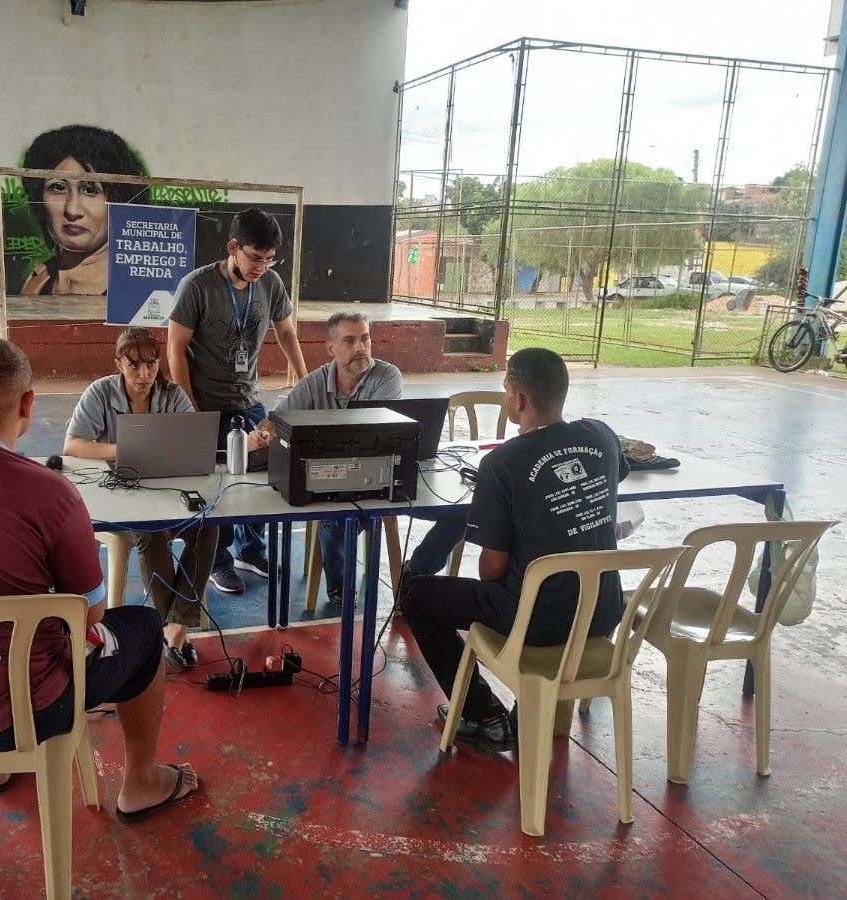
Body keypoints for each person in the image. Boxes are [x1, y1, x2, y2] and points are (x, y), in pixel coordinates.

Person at [0, 336, 198, 820]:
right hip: (32, 707)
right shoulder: (50, 493)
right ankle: (142, 784)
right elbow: (91, 614)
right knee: (145, 629)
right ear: (28, 405)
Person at [401, 347, 629, 752]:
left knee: (416, 595)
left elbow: (491, 571)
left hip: (538, 621)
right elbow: (616, 476)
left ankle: (484, 716)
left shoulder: (501, 464)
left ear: (518, 399)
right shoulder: (602, 436)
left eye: (507, 390)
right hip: (604, 611)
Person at [167, 208, 308, 594]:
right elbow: (175, 349)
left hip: (249, 400)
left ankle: (251, 549)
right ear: (233, 248)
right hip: (207, 401)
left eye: (268, 259)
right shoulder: (197, 286)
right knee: (215, 486)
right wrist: (190, 408)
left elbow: (287, 333)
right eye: (254, 257)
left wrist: (306, 379)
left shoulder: (272, 284)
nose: (261, 267)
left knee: (261, 478)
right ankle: (218, 560)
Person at [64, 327, 217, 671]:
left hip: (167, 491)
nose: (144, 374)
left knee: (209, 527)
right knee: (151, 535)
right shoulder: (99, 393)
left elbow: (193, 441)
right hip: (120, 496)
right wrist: (124, 450)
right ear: (118, 363)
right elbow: (72, 445)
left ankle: (172, 626)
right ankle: (175, 628)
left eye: (151, 364)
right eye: (134, 366)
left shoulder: (172, 394)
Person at [264, 311, 402, 604]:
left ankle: (339, 586)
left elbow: (371, 435)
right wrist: (260, 433)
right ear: (330, 348)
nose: (360, 348)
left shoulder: (387, 377)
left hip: (374, 478)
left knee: (337, 520)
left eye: (364, 339)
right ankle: (339, 586)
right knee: (331, 514)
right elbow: (277, 421)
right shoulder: (314, 383)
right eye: (349, 341)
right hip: (326, 478)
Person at [19, 125, 148, 296]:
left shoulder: (134, 287)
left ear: (119, 200)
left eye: (90, 190)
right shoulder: (38, 280)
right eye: (58, 187)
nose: (72, 210)